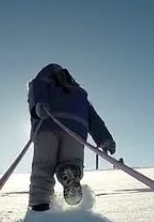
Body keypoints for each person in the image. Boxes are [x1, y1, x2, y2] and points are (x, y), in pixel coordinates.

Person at [27, 63, 116, 211]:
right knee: (71, 161)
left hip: (47, 125)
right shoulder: (80, 93)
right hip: (76, 129)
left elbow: (37, 90)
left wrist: (39, 105)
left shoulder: (42, 81)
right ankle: (70, 172)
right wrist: (104, 139)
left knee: (43, 166)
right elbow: (93, 119)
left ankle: (39, 205)